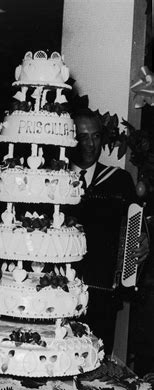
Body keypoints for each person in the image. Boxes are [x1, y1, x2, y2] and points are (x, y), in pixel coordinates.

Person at [68, 108, 149, 354]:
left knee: (98, 369)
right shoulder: (52, 177)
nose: (91, 144)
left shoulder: (119, 180)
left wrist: (144, 242)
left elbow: (137, 230)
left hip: (103, 295)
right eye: (83, 137)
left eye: (95, 136)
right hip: (57, 294)